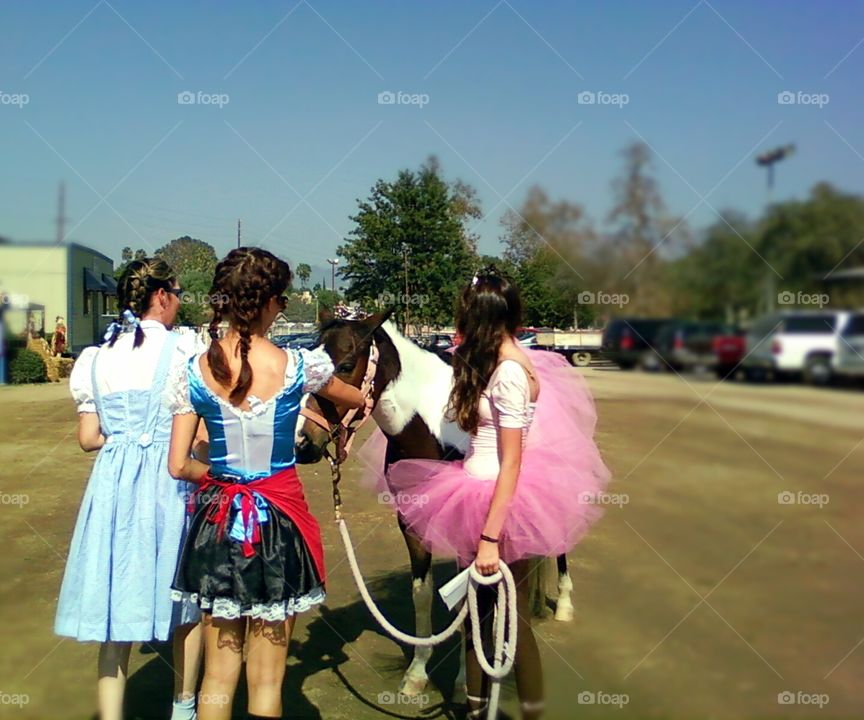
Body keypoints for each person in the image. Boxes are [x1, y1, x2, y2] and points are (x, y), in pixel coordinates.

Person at [377, 267, 610, 719]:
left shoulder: (509, 375)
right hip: (474, 492)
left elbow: (513, 462)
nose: (458, 332)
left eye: (464, 320)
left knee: (513, 626)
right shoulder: (492, 366)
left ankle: (530, 713)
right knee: (476, 625)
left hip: (495, 502)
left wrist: (490, 536)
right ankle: (475, 711)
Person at [167, 247, 366, 720]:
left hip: (217, 526)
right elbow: (357, 396)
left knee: (217, 674)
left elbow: (179, 465)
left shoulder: (192, 371)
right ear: (273, 303)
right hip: (281, 526)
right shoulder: (300, 366)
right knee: (268, 680)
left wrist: (225, 480)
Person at [55, 258, 204, 720]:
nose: (180, 302)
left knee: (113, 598)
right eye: (177, 292)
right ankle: (184, 707)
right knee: (186, 605)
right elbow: (197, 436)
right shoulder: (185, 350)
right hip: (167, 481)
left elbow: (87, 440)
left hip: (114, 485)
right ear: (161, 296)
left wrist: (124, 438)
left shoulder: (96, 358)